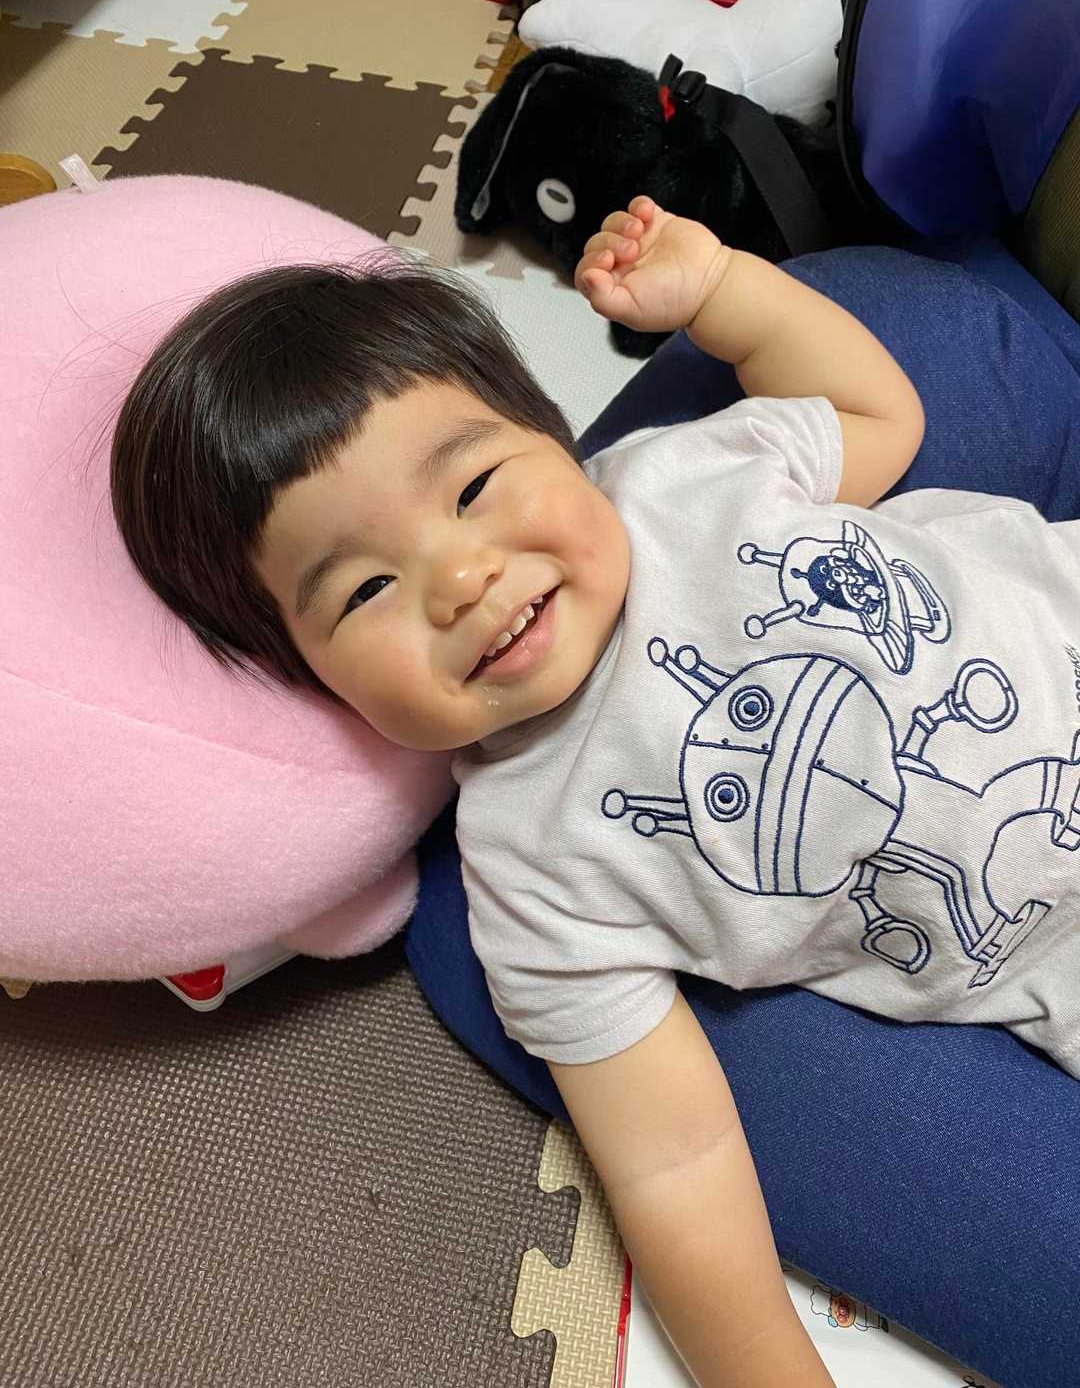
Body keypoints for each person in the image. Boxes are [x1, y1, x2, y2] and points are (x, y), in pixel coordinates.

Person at [110, 195, 1080, 1388]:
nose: (460, 578)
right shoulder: (533, 875)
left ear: (550, 433)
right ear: (315, 685)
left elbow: (884, 413)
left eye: (473, 487)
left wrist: (720, 291)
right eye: (362, 591)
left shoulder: (684, 471)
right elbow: (676, 1162)